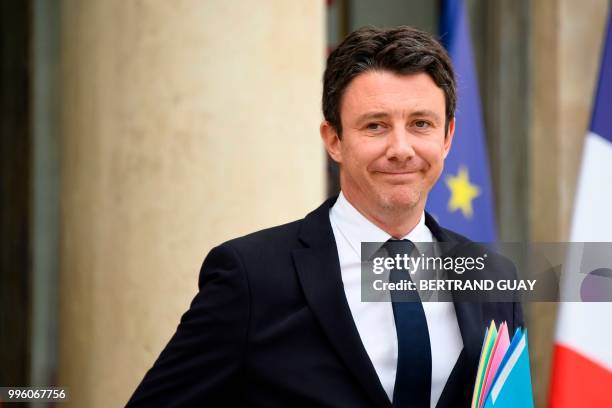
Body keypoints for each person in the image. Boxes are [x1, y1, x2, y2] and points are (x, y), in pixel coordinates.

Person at [126, 26, 523, 407]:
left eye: (421, 124)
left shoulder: (495, 278)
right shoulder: (249, 277)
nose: (401, 148)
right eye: (375, 125)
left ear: (448, 136)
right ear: (334, 140)